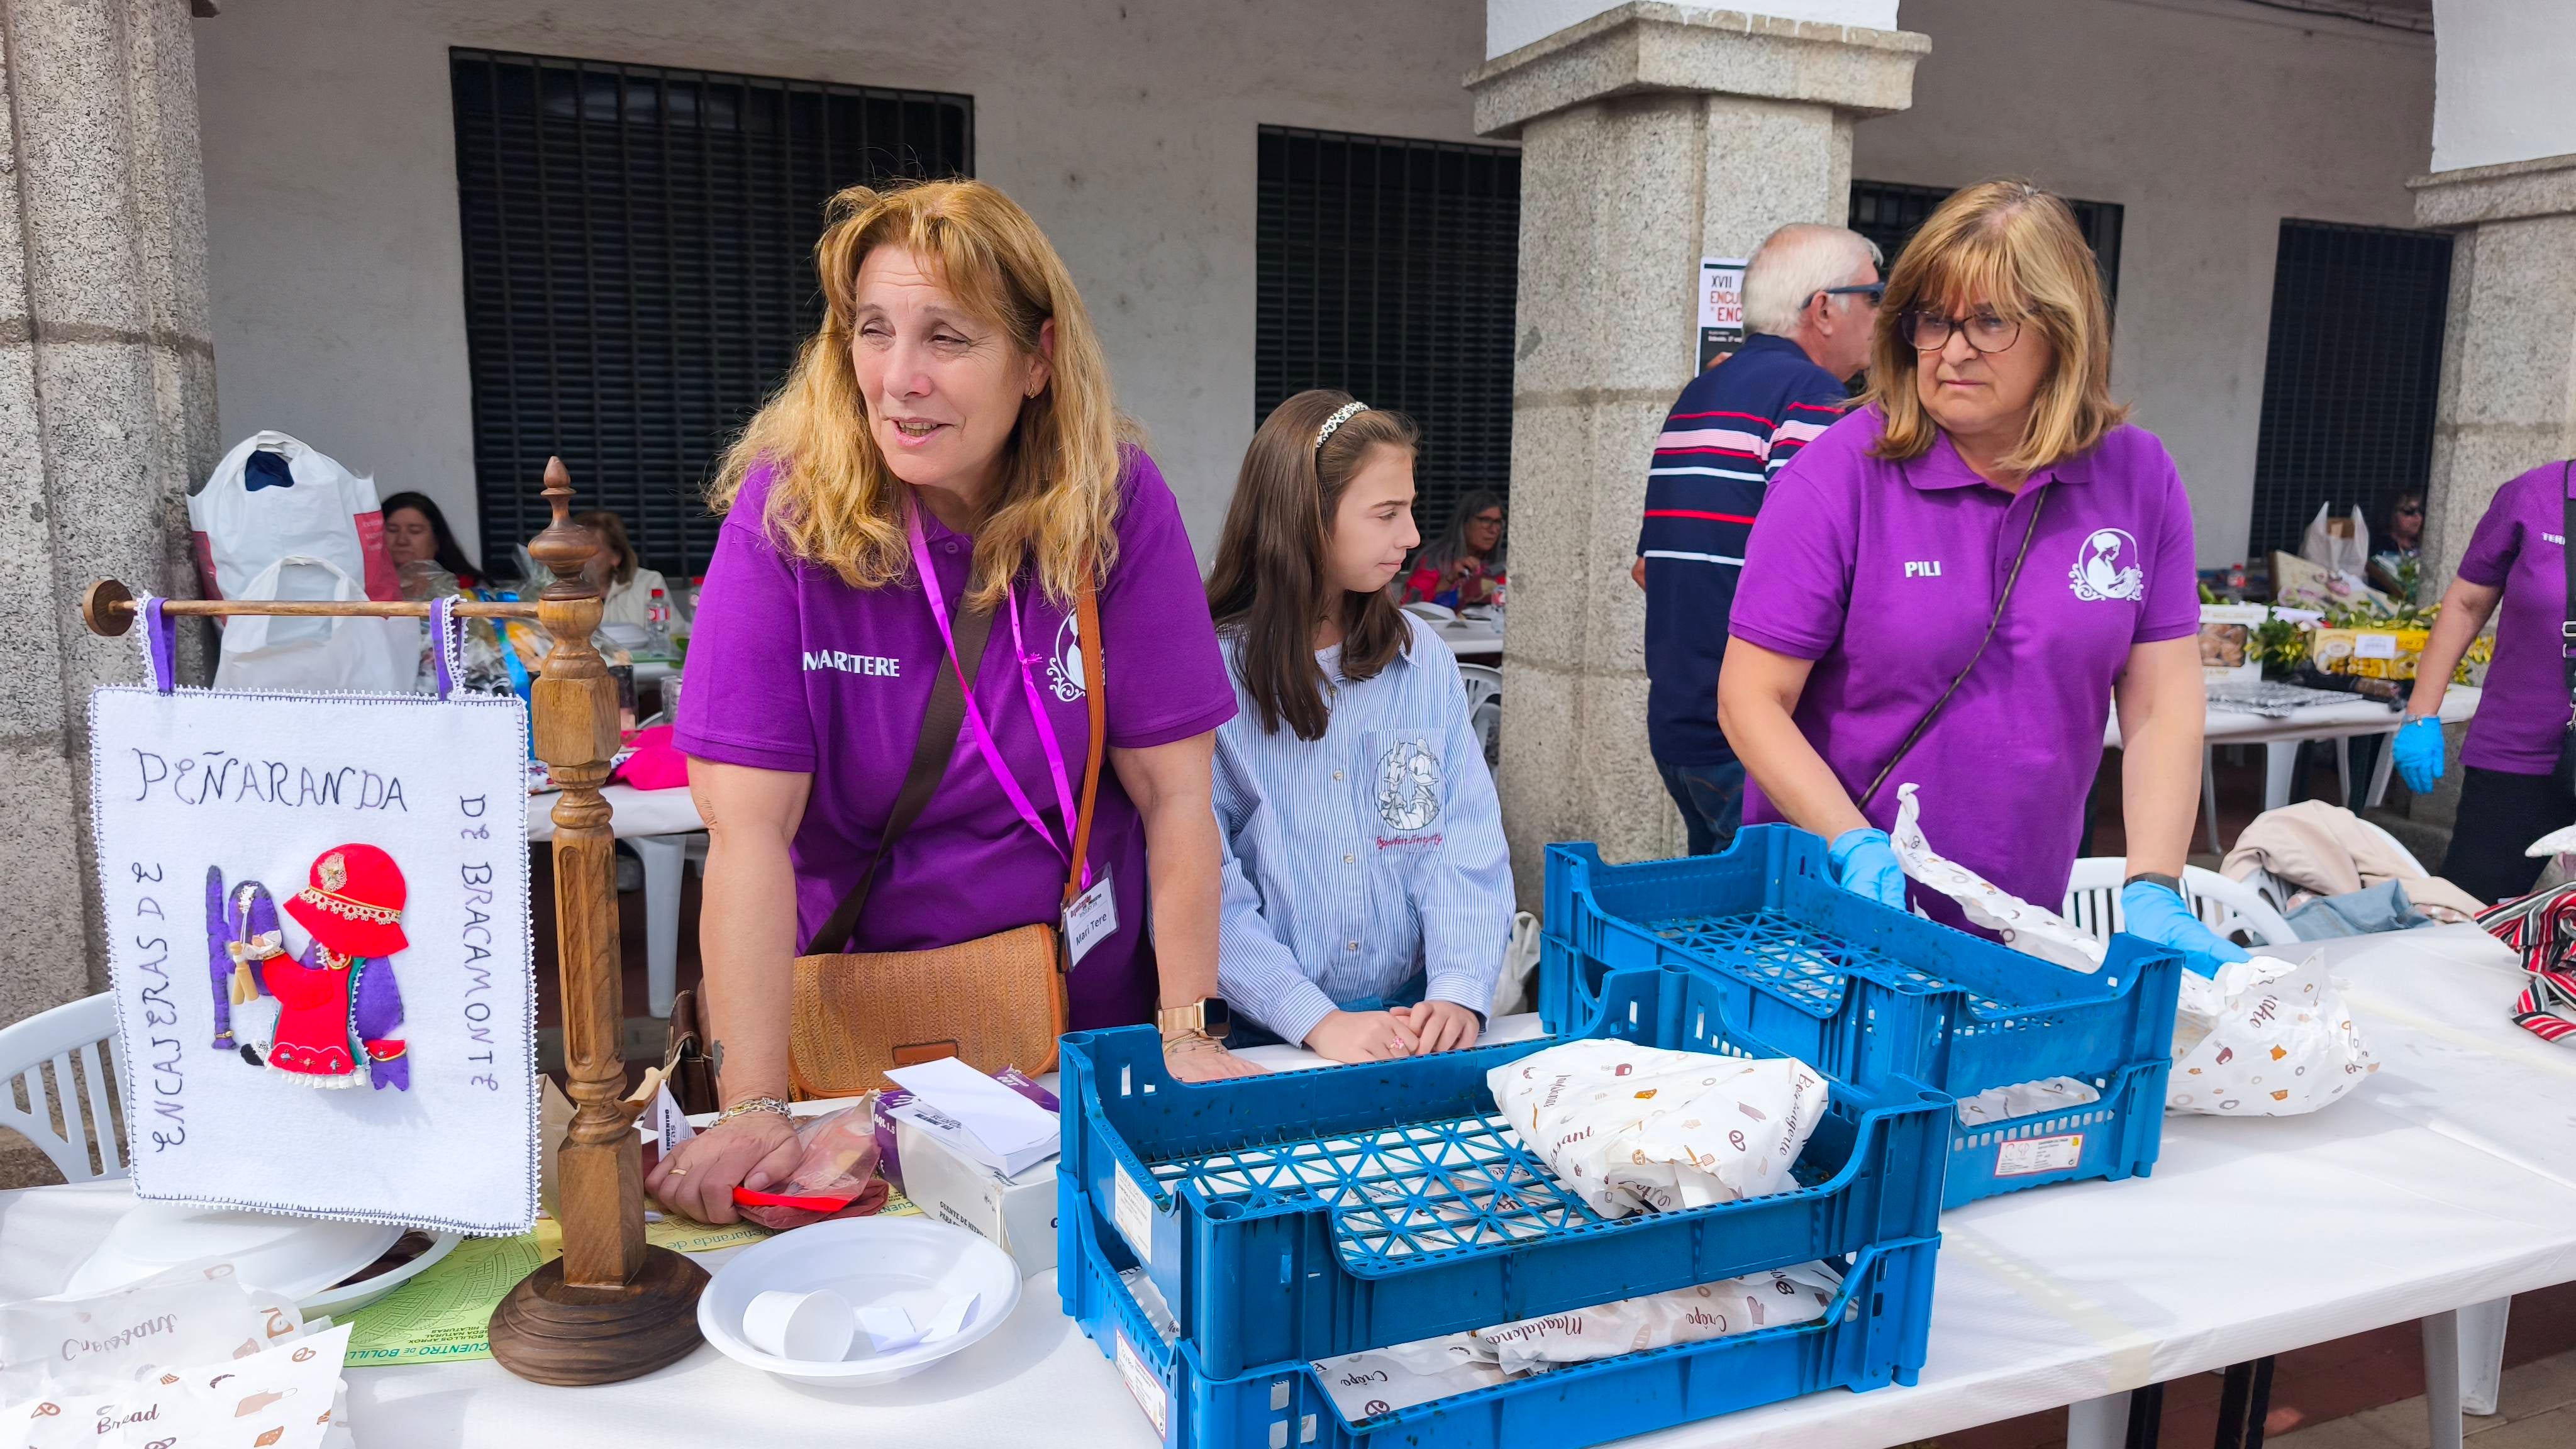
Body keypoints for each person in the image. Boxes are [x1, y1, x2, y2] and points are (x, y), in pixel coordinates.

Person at [649, 179, 1258, 1224]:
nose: (900, 378)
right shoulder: (789, 515)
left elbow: (1174, 799)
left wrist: (1188, 1034)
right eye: (873, 330)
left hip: (1072, 1035)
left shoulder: (1111, 503)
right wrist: (752, 1104)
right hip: (852, 1043)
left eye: (947, 337)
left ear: (1037, 358)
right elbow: (747, 833)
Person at [1715, 180, 2246, 977]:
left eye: (1990, 322)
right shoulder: (1839, 475)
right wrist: (1851, 843)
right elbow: (1750, 699)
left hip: (2020, 922)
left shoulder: (2137, 476)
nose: (1952, 350)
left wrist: (2154, 886)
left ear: (2062, 333)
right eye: (1932, 319)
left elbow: (2160, 702)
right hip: (1830, 921)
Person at [1206, 391, 1516, 1062]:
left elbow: (1460, 838)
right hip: (1263, 1030)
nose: (1411, 536)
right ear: (1304, 517)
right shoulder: (1213, 675)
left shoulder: (1420, 660)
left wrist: (1458, 989)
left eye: (1410, 509)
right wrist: (1316, 1020)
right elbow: (1203, 881)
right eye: (1386, 513)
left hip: (1411, 1014)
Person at [1631, 223, 1880, 857]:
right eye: (1874, 297)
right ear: (1824, 309)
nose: (1884, 316)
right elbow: (1822, 565)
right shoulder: (1813, 398)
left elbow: (1646, 567)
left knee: (1720, 908)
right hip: (1754, 739)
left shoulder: (1699, 393)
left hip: (1681, 723)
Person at [2391, 460, 2576, 905]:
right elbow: (2467, 603)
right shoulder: (2534, 494)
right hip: (2518, 750)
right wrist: (2421, 714)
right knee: (2469, 913)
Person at [570, 509, 676, 631]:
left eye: (590, 549)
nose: (580, 555)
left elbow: (673, 634)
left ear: (616, 557)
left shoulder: (649, 583)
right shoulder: (557, 587)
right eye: (575, 548)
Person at [1399, 490, 1506, 609]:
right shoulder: (1435, 560)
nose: (1493, 530)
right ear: (1465, 522)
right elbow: (1412, 608)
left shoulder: (1505, 564)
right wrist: (1449, 579)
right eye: (1486, 520)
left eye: (1498, 522)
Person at [379, 491, 480, 593]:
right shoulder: (369, 590)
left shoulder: (471, 589)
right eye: (392, 530)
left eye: (415, 531)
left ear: (436, 540)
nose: (402, 540)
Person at [2366, 489, 2425, 599]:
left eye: (2420, 511)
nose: (2418, 517)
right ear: (2390, 514)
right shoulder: (2378, 548)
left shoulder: (2425, 545)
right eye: (2409, 512)